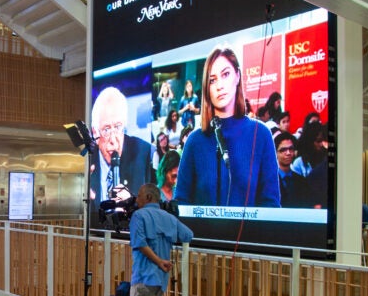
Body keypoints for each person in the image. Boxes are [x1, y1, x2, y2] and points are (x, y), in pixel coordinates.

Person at [174, 47, 280, 207]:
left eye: (225, 74)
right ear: (206, 88)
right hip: (201, 232)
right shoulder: (195, 141)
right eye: (212, 80)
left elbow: (270, 204)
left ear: (237, 76)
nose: (219, 86)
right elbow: (181, 203)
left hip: (250, 233)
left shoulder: (261, 134)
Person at [89, 87, 153, 203]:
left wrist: (132, 201)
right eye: (106, 129)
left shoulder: (144, 153)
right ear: (95, 133)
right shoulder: (88, 161)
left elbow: (155, 203)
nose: (113, 140)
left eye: (118, 127)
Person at [274, 133, 309, 208]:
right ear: (275, 153)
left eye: (291, 149)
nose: (288, 153)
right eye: (283, 150)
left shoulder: (302, 181)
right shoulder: (268, 182)